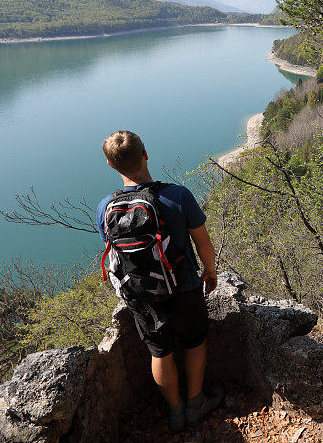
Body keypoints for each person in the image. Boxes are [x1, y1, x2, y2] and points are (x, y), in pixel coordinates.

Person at [95, 130, 222, 431]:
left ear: (111, 166)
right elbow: (203, 244)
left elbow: (113, 255)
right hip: (183, 287)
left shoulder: (105, 208)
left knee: (159, 351)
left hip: (140, 295)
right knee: (194, 341)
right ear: (146, 155)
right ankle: (195, 403)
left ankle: (176, 412)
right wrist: (210, 271)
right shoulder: (178, 196)